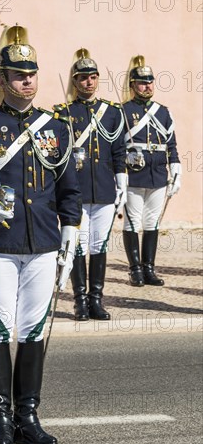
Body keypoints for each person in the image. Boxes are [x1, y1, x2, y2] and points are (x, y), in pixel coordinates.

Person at [0, 25, 82, 444]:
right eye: (18, 74)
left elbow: (69, 187)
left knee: (32, 328)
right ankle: (1, 420)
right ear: (2, 80)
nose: (27, 80)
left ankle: (28, 414)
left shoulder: (57, 126)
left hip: (44, 242)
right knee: (1, 325)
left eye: (32, 74)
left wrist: (71, 232)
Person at [53, 49, 127, 322]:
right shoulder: (63, 113)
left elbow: (119, 149)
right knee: (79, 245)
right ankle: (79, 302)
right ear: (74, 81)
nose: (89, 82)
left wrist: (122, 181)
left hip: (105, 190)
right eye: (83, 78)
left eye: (93, 77)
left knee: (99, 246)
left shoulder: (111, 112)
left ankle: (96, 300)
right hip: (77, 191)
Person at [121, 55, 181, 286]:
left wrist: (176, 169)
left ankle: (149, 269)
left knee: (152, 222)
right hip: (134, 175)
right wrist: (125, 159)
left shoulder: (163, 112)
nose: (147, 86)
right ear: (133, 85)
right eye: (142, 82)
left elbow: (171, 144)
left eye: (150, 81)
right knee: (133, 222)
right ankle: (134, 270)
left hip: (157, 174)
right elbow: (116, 147)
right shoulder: (123, 111)